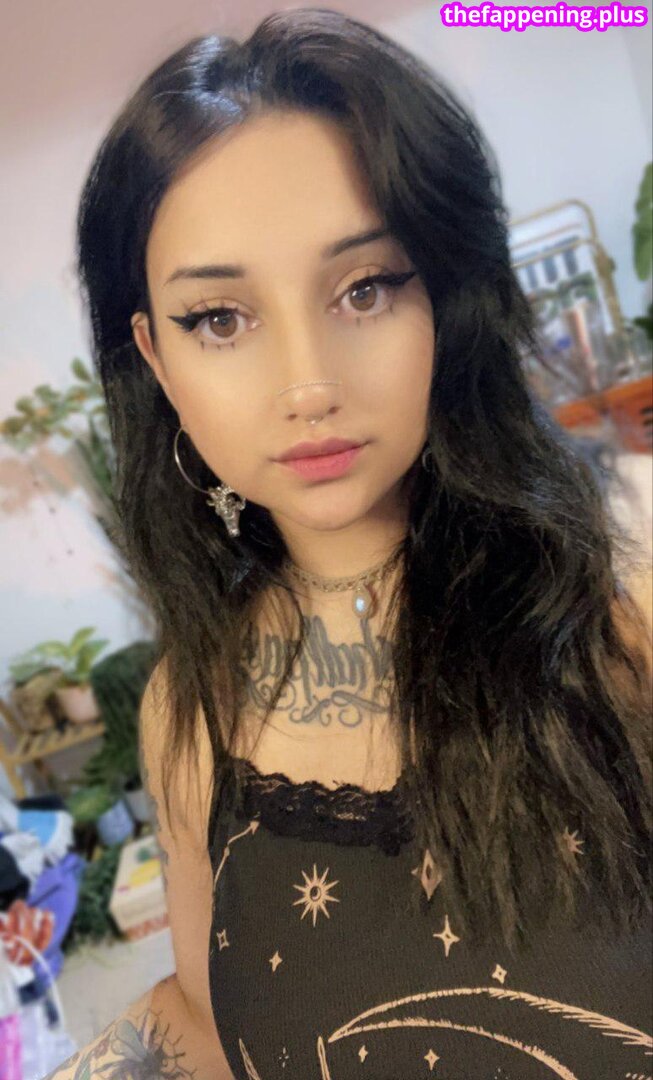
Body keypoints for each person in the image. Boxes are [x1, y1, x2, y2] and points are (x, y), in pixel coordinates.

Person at [46, 8, 652, 1079]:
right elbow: (205, 1014)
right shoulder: (188, 709)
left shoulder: (623, 619)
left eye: (364, 289)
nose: (307, 383)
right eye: (219, 318)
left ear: (445, 300)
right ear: (155, 358)